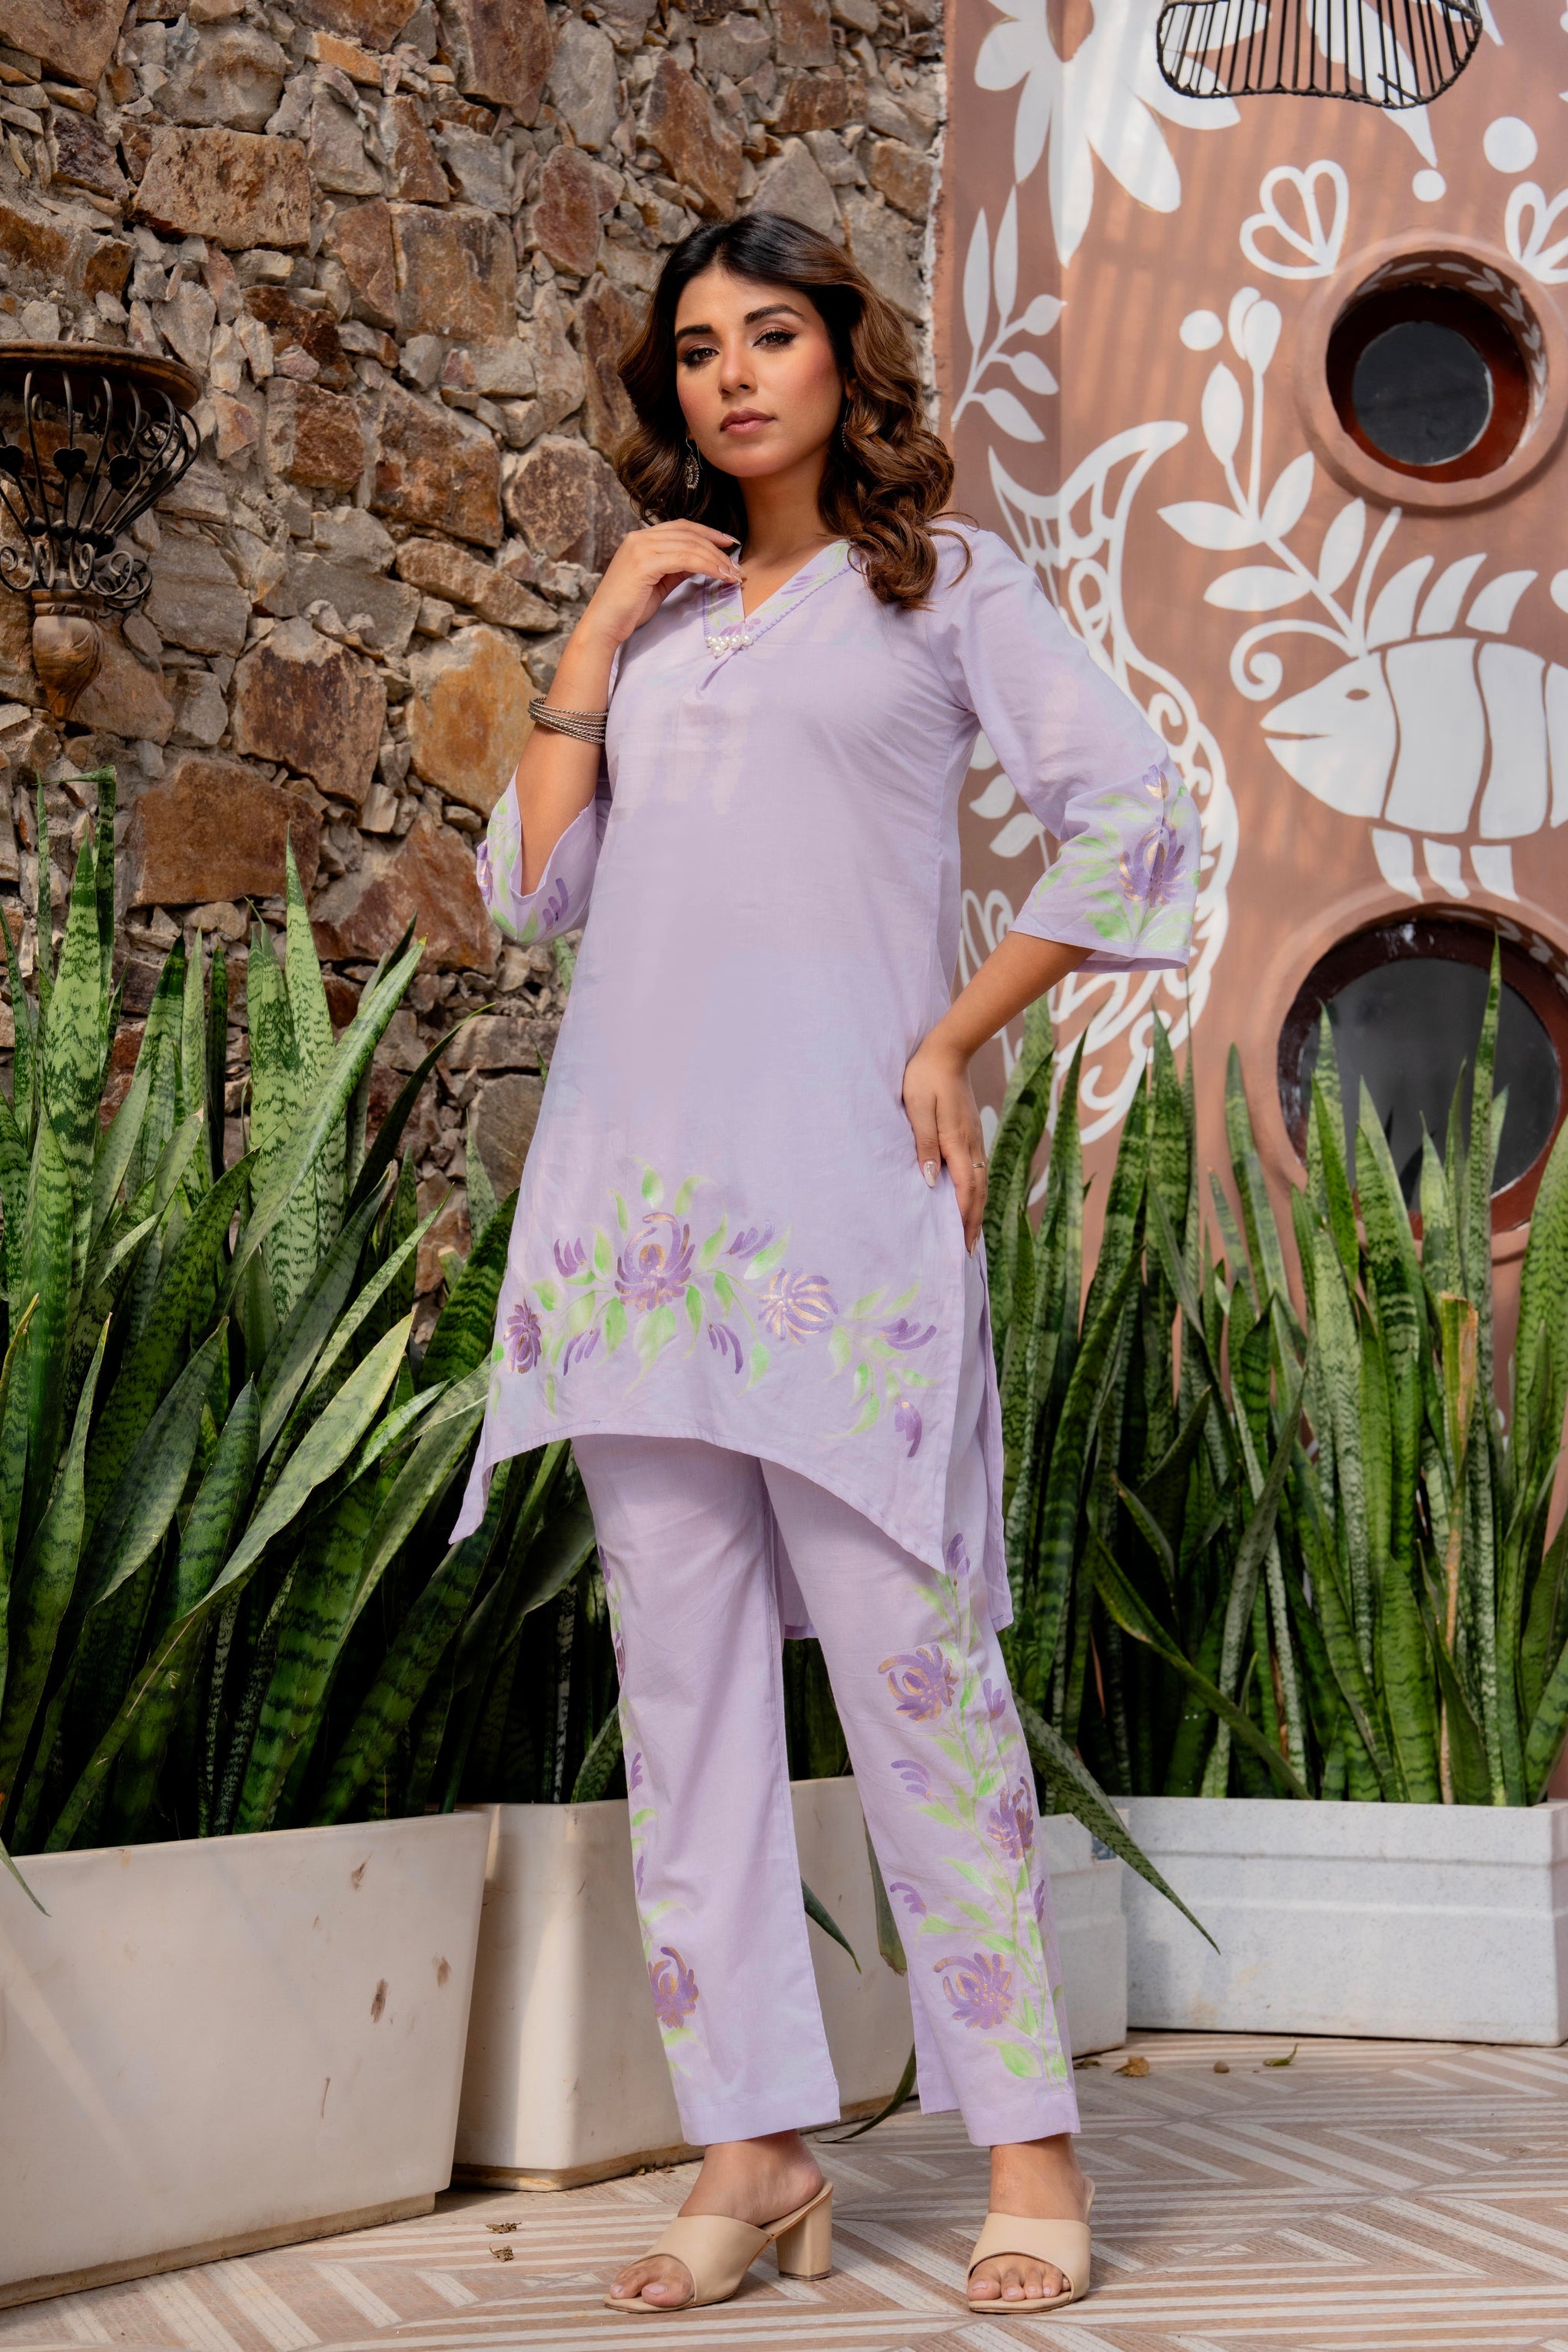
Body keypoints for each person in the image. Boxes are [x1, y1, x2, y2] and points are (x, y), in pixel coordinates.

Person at [454, 211, 1198, 2317]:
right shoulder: (660, 626)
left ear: (842, 357)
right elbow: (529, 890)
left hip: (840, 1217)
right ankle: (755, 2142)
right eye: (697, 349)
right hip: (627, 1233)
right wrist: (599, 624)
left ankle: (1027, 2148)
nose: (732, 376)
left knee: (917, 1679)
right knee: (684, 1700)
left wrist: (953, 1040)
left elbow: (1135, 817)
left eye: (770, 335)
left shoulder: (942, 587)